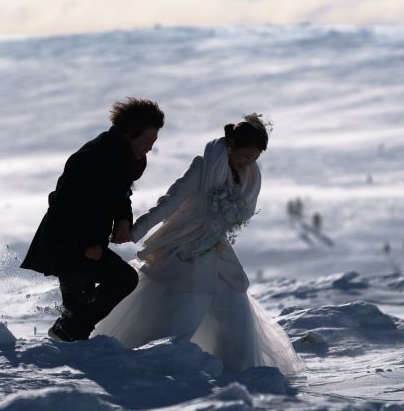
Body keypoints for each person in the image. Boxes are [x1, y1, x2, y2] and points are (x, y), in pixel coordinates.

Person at [93, 114, 304, 375]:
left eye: (255, 158)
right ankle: (156, 361)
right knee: (180, 306)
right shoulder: (204, 167)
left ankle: (237, 366)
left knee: (233, 305)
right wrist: (136, 230)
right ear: (231, 146)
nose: (248, 162)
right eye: (245, 155)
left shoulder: (249, 177)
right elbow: (171, 201)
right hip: (184, 246)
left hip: (216, 248)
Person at [21, 98, 164, 342]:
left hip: (84, 245)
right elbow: (63, 204)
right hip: (66, 242)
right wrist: (90, 243)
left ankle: (70, 341)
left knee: (78, 314)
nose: (149, 148)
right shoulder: (91, 157)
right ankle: (66, 332)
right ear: (128, 134)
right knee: (122, 280)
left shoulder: (124, 157)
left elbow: (121, 193)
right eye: (146, 141)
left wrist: (123, 219)